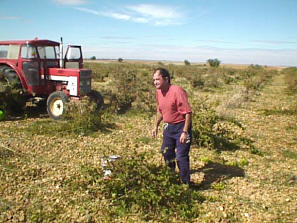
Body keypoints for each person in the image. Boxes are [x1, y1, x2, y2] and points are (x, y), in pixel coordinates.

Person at [152, 68, 192, 184]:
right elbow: (161, 110)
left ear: (166, 79)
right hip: (168, 127)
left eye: (157, 79)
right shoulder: (159, 92)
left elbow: (188, 113)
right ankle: (171, 177)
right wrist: (156, 125)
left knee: (181, 156)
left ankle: (185, 184)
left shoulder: (177, 91)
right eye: (154, 80)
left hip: (181, 126)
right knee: (166, 152)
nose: (155, 82)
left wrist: (185, 132)